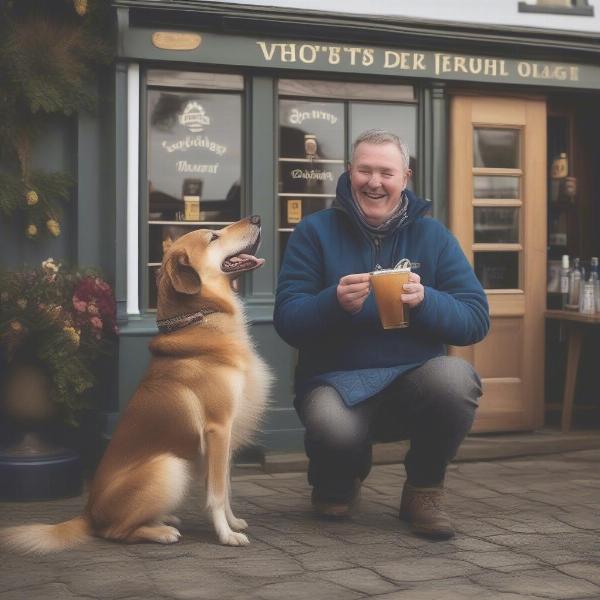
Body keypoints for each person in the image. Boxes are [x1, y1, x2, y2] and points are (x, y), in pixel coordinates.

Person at [274, 129, 489, 540]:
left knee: (455, 379)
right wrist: (332, 304)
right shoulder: (314, 232)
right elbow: (288, 319)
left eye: (386, 172)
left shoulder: (434, 237)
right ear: (349, 172)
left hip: (413, 378)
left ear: (405, 177)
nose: (374, 182)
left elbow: (475, 320)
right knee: (334, 433)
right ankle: (338, 479)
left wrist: (426, 300)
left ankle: (424, 488)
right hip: (335, 381)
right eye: (365, 170)